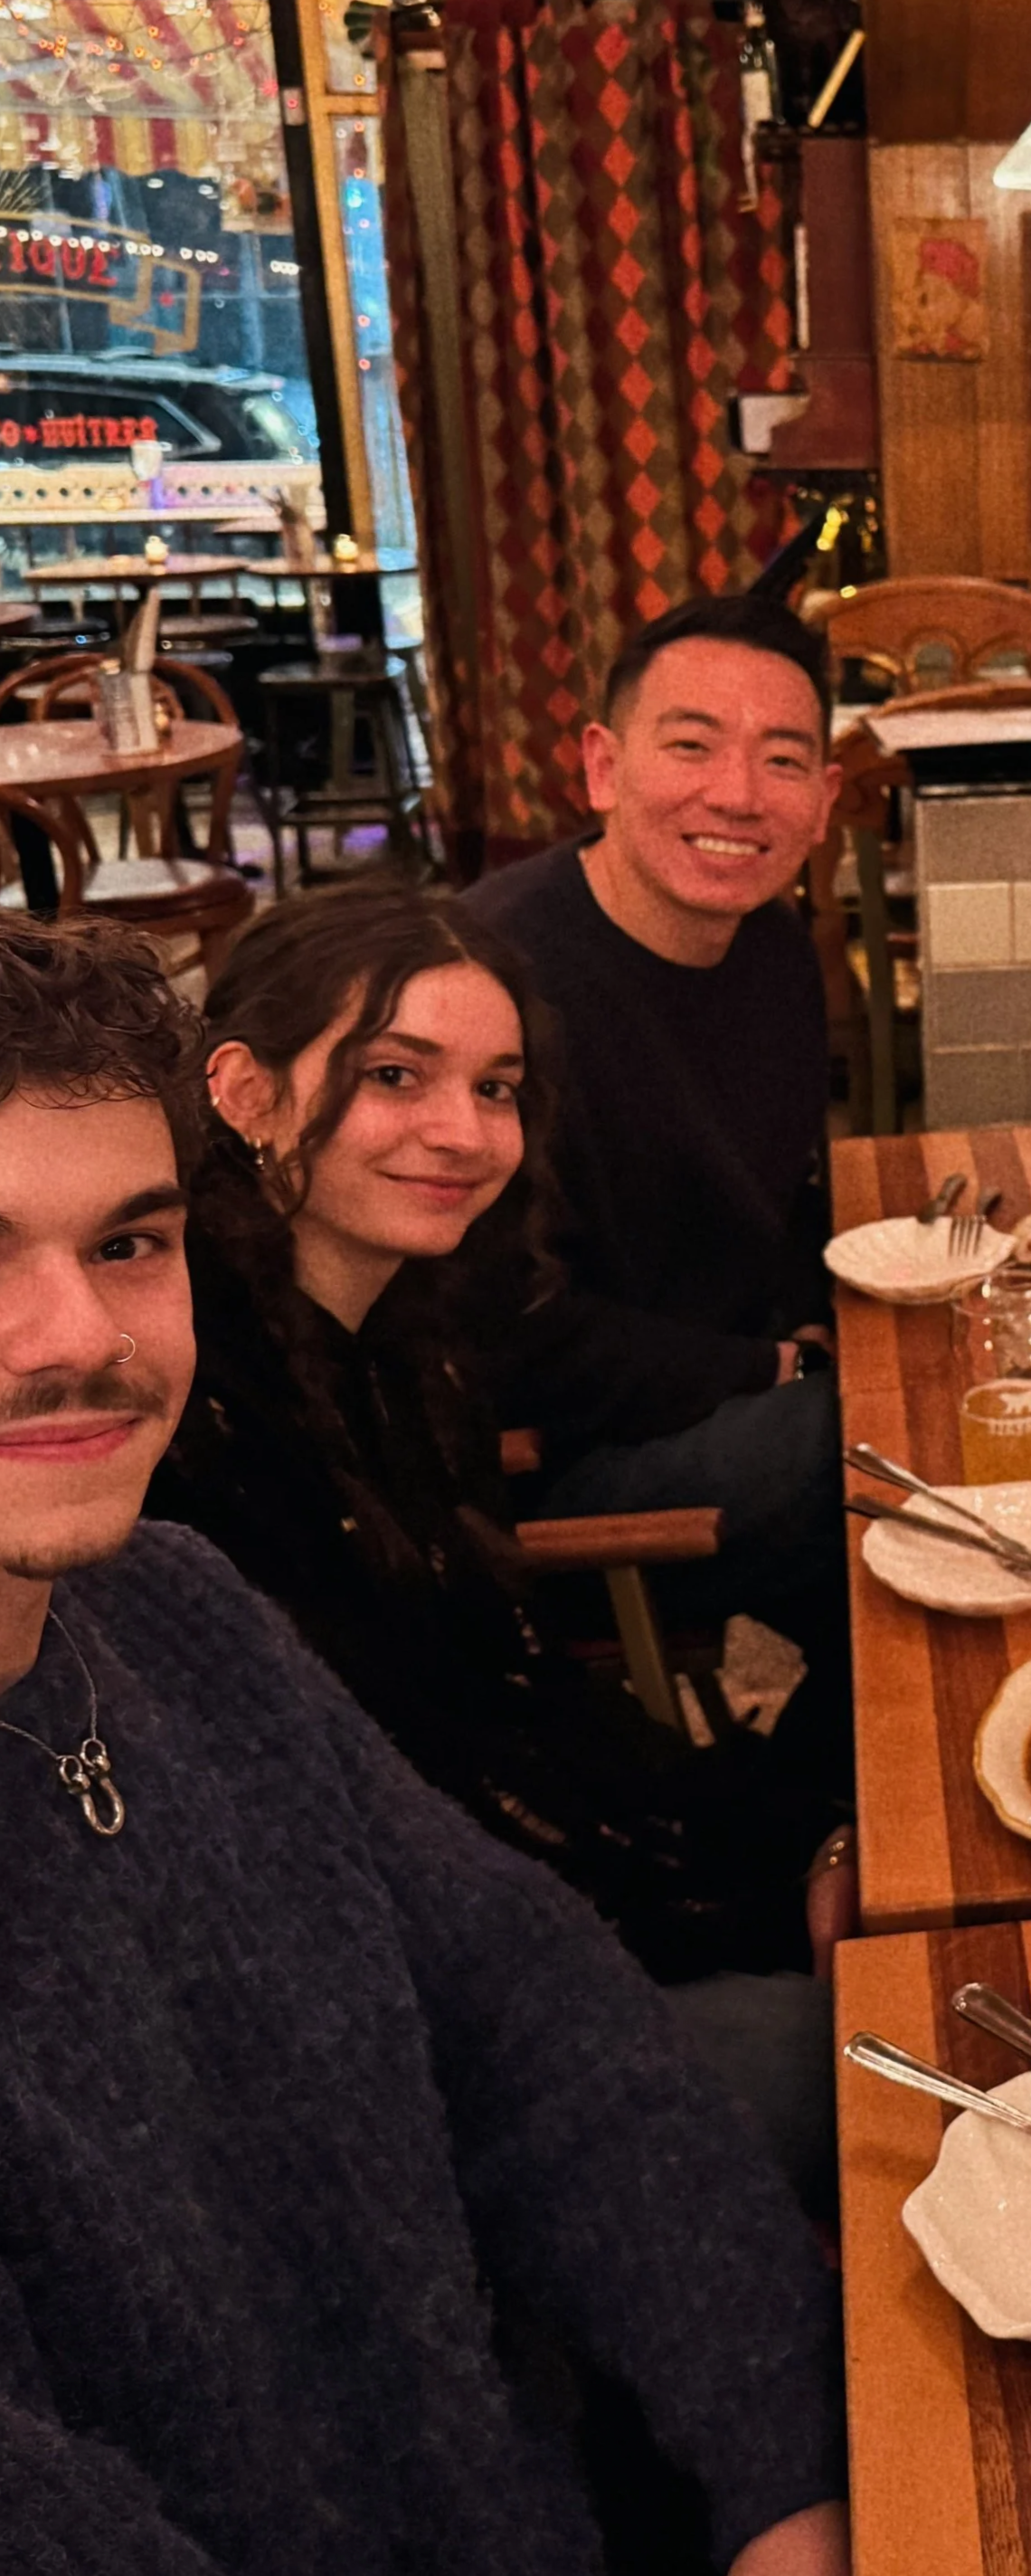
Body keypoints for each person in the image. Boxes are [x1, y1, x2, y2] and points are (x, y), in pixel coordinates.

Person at [0, 913, 846, 2575]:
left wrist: (785, 2472)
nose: (72, 1337)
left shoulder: (176, 1613)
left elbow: (537, 2016)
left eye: (126, 1244)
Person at [141, 880, 842, 2206]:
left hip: (515, 1889)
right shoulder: (199, 1423)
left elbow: (509, 1701)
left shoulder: (405, 1343)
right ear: (242, 1091)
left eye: (498, 1086)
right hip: (392, 2059)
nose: (462, 1131)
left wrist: (807, 1839)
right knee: (871, 2069)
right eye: (396, 1074)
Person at [459, 594, 847, 1678]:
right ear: (602, 766)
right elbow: (500, 1335)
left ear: (821, 802)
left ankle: (847, 1806)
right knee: (890, 1451)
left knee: (956, 1388)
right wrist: (774, 1363)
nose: (735, 793)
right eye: (691, 744)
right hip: (550, 1482)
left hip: (714, 1398)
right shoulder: (490, 984)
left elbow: (759, 1209)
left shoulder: (773, 954)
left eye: (781, 761)